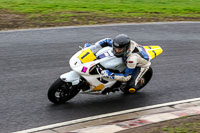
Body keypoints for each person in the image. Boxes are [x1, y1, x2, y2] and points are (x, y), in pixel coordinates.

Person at [85, 34, 151, 93]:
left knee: (130, 87)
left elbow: (126, 77)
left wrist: (110, 74)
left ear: (126, 48)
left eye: (120, 50)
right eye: (115, 48)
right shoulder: (119, 45)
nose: (117, 50)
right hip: (130, 55)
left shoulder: (132, 59)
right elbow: (106, 41)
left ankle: (139, 81)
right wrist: (93, 47)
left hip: (141, 65)